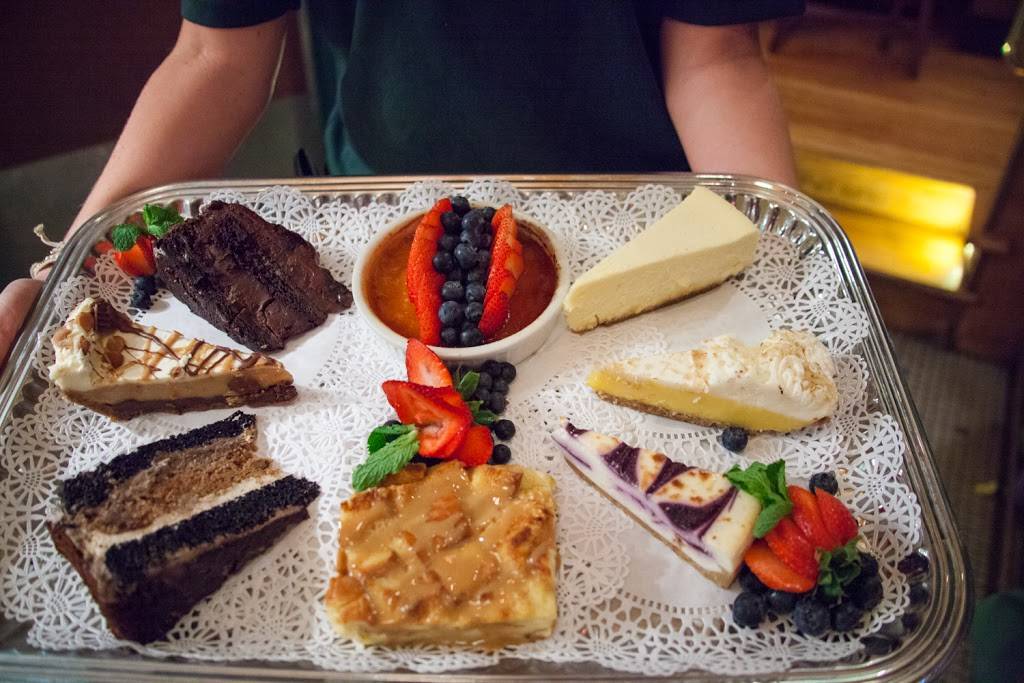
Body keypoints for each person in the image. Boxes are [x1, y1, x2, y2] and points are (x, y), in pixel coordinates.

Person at [0, 0, 802, 365]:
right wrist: (71, 268)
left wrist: (794, 270)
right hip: (376, 226)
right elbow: (216, 56)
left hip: (637, 233)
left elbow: (716, 57)